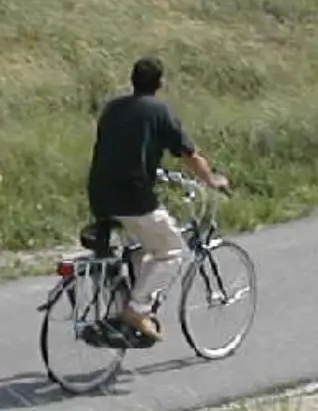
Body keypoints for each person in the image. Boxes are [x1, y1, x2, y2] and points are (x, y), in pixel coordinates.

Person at [84, 56, 227, 342]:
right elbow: (188, 154)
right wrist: (211, 179)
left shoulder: (113, 108)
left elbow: (120, 148)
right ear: (160, 83)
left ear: (132, 80)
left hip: (99, 193)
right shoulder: (159, 111)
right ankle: (136, 311)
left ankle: (128, 314)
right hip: (133, 197)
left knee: (139, 248)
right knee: (172, 251)